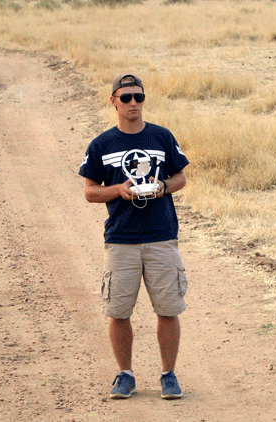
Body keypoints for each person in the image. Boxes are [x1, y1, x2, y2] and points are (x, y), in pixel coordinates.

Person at [79, 74, 190, 400]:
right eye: (125, 97)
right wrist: (119, 191)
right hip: (121, 239)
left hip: (161, 236)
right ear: (113, 100)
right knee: (119, 312)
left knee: (168, 309)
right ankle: (125, 375)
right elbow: (89, 192)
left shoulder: (161, 136)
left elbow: (180, 176)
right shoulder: (102, 144)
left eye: (138, 97)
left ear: (143, 99)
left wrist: (162, 187)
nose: (132, 104)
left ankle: (168, 375)